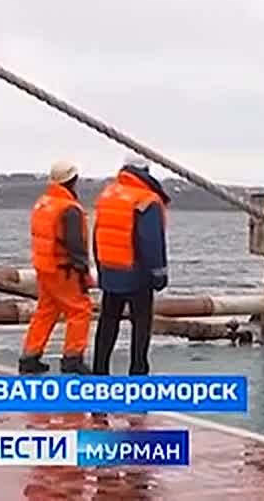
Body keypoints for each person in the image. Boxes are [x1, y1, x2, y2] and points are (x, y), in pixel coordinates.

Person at [91, 155, 170, 377]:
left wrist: (101, 266)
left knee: (108, 321)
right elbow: (151, 241)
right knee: (141, 323)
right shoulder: (147, 201)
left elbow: (98, 234)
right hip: (137, 273)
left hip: (110, 269)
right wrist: (159, 274)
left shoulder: (108, 195)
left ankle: (99, 370)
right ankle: (138, 371)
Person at [18, 160, 93, 375]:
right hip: (64, 269)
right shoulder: (69, 208)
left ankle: (30, 357)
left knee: (45, 312)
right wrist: (83, 271)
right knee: (79, 311)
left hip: (45, 267)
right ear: (73, 180)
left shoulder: (44, 203)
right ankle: (73, 359)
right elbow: (75, 244)